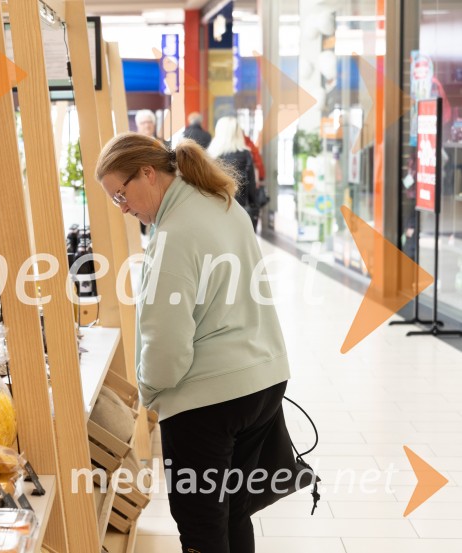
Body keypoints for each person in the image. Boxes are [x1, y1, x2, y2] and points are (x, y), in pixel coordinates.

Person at [95, 133, 290, 553]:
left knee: (201, 526)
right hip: (263, 382)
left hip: (209, 401)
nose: (123, 208)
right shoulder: (221, 202)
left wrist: (147, 392)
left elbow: (165, 345)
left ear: (147, 173)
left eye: (121, 195)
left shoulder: (172, 235)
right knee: (235, 511)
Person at [208, 116, 258, 231]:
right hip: (238, 210)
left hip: (215, 211)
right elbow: (251, 187)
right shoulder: (245, 155)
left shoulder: (210, 156)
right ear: (238, 133)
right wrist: (255, 207)